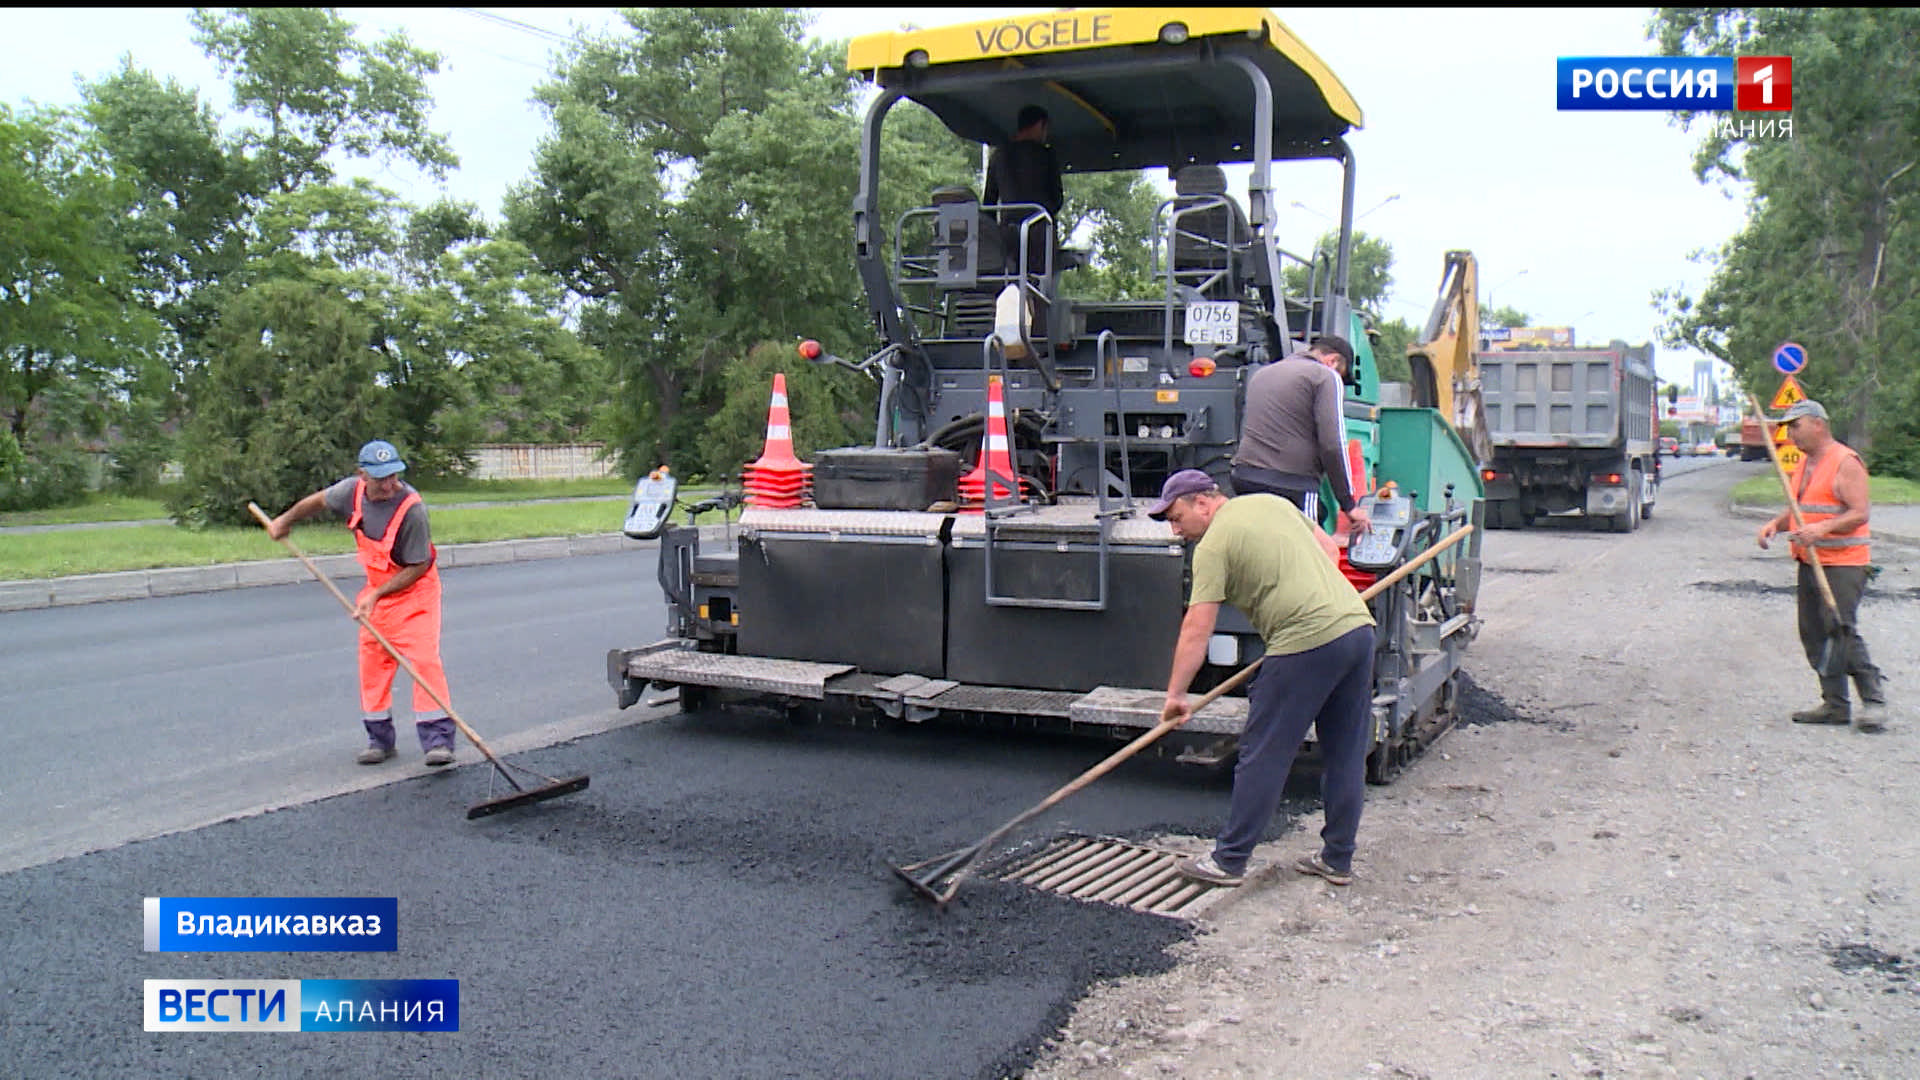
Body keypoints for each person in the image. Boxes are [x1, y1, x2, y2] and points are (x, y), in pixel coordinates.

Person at [1148, 469, 1378, 888]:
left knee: (1263, 752)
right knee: (1345, 752)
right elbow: (1328, 550)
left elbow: (1197, 626)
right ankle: (1337, 858)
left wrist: (1177, 694)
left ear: (1203, 502)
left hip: (1304, 641)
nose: (1176, 529)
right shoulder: (1272, 503)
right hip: (1356, 629)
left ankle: (1229, 861)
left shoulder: (1213, 544)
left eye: (1177, 517)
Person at [267, 440, 460, 765]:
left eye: (394, 476)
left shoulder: (412, 509)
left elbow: (418, 566)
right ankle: (379, 741)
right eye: (381, 478)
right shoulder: (350, 491)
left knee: (424, 663)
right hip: (377, 594)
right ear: (362, 475)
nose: (389, 485)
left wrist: (376, 595)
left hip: (415, 594)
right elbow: (316, 502)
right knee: (373, 666)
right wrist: (284, 521)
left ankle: (438, 740)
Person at [1755, 399, 1887, 733]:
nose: (1791, 434)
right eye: (1787, 428)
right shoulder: (1804, 463)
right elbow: (1803, 510)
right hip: (1809, 560)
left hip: (1843, 563)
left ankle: (1873, 701)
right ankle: (1835, 705)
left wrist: (1822, 530)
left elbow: (1859, 513)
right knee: (1813, 633)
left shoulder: (1845, 461)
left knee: (1840, 630)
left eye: (1795, 426)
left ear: (1818, 424)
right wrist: (1776, 524)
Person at [1231, 335, 1373, 538]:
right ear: (1332, 361)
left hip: (1245, 478)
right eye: (1341, 374)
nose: (1339, 379)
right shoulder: (1325, 376)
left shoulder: (1263, 374)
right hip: (1292, 485)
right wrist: (1348, 505)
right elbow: (1333, 444)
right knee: (1310, 556)